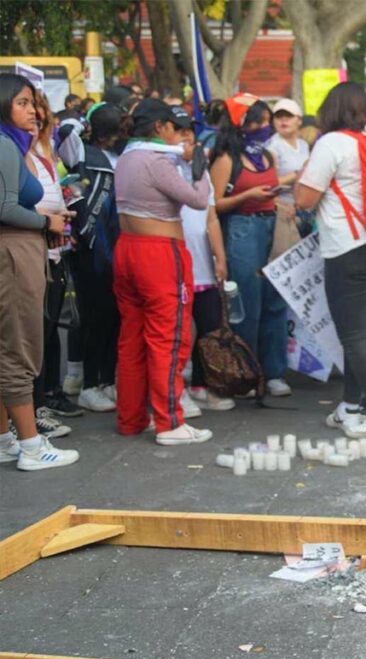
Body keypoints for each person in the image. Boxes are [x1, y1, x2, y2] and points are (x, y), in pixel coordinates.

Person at [296, 82, 366, 439]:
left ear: (331, 110)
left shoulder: (331, 143)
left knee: (353, 335)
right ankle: (350, 405)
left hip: (348, 248)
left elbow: (305, 199)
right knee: (359, 333)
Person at [113, 98, 212, 445]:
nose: (177, 135)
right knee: (168, 339)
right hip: (159, 253)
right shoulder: (155, 159)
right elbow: (198, 200)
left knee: (132, 339)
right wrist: (200, 173)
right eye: (173, 127)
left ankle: (131, 418)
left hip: (127, 249)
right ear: (160, 127)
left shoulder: (127, 156)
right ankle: (170, 422)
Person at [0, 74, 80, 470]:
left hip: (18, 247)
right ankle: (31, 446)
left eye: (32, 102)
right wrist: (45, 221)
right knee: (18, 349)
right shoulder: (2, 145)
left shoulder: (14, 144)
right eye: (22, 103)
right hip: (13, 253)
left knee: (8, 348)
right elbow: (5, 207)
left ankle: (4, 440)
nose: (32, 110)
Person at [211, 93, 291, 398]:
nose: (265, 127)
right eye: (259, 121)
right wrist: (247, 197)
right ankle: (247, 370)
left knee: (275, 301)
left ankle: (275, 372)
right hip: (243, 229)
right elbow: (214, 204)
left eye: (267, 121)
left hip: (272, 224)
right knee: (248, 304)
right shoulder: (226, 159)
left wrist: (274, 199)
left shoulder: (267, 157)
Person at [176, 107, 233, 412]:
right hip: (176, 262)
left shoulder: (201, 171)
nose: (187, 138)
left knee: (209, 326)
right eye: (180, 132)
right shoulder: (165, 169)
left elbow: (211, 218)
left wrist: (220, 258)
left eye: (190, 132)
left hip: (204, 263)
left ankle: (201, 384)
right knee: (179, 330)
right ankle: (177, 390)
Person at [71, 103, 125, 414]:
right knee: (95, 319)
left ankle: (107, 380)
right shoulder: (82, 155)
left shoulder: (125, 156)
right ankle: (88, 385)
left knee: (114, 318)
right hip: (93, 250)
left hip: (119, 246)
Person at [266, 97, 312, 247]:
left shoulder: (303, 144)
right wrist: (297, 174)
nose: (283, 121)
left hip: (304, 208)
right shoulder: (273, 147)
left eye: (288, 116)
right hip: (283, 210)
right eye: (279, 117)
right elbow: (269, 183)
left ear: (299, 120)